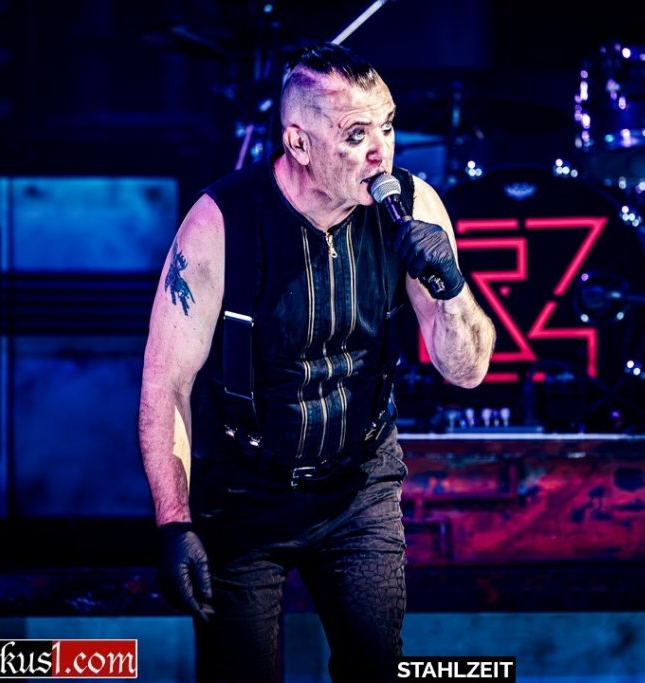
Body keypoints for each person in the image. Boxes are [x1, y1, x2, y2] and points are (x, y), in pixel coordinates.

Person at [138, 42, 495, 682]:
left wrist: (450, 286)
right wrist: (173, 523)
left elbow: (465, 372)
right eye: (357, 135)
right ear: (299, 144)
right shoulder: (220, 222)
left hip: (358, 485)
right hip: (244, 491)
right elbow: (167, 384)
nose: (381, 153)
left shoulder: (414, 207)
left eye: (387, 127)